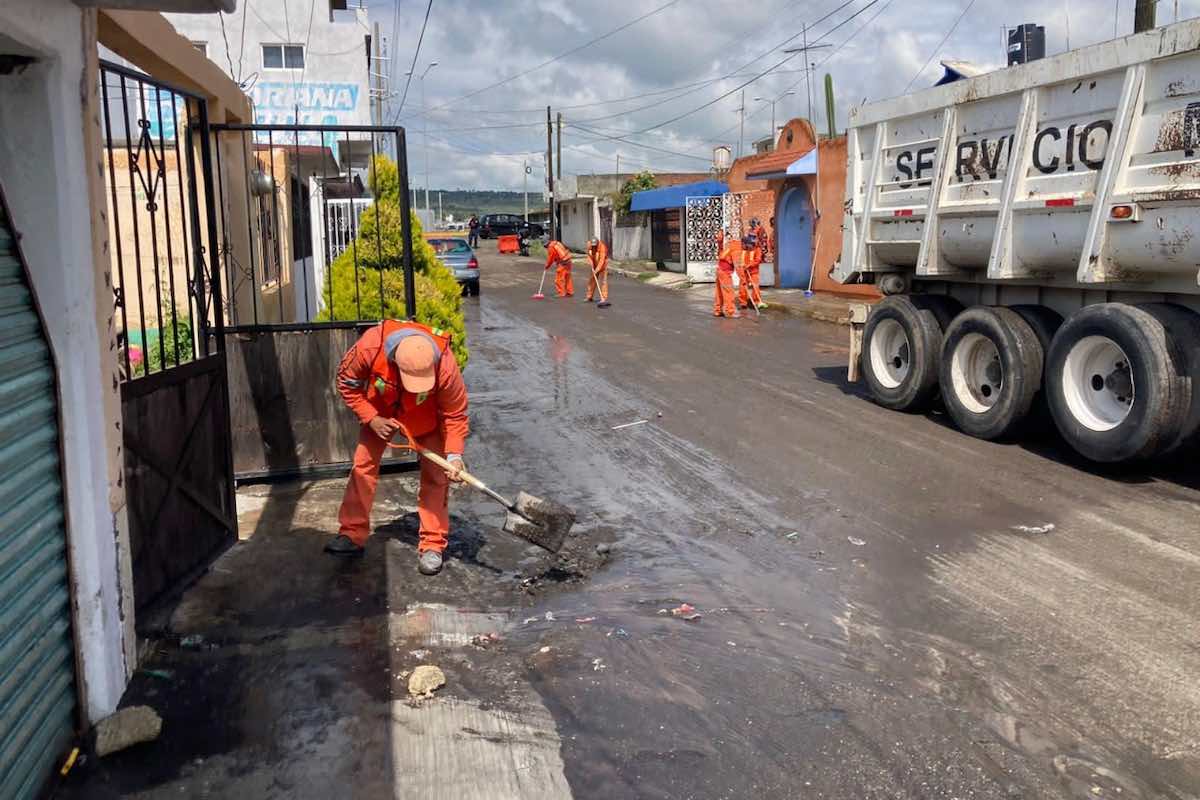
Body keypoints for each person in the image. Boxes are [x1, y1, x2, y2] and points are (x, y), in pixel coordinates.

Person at [327, 320, 469, 576]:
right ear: (393, 362)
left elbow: (455, 413)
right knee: (363, 467)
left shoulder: (445, 365)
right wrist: (371, 417)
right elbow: (346, 383)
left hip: (427, 418)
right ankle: (351, 533)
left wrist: (455, 455)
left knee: (437, 477)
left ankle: (433, 545)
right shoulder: (370, 346)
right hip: (381, 412)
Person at [713, 236, 741, 318]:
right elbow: (737, 265)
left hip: (719, 269)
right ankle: (730, 311)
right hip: (725, 272)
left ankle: (718, 310)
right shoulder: (737, 249)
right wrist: (743, 278)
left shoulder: (731, 244)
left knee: (719, 292)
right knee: (729, 291)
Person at [738, 234, 764, 310]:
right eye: (748, 245)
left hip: (754, 272)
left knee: (755, 287)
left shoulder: (757, 250)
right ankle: (743, 303)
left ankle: (756, 302)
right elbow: (740, 260)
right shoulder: (743, 251)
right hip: (744, 272)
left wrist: (749, 265)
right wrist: (742, 267)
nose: (750, 247)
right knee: (742, 287)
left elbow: (758, 260)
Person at [586, 237, 608, 303]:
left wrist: (597, 270)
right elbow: (589, 256)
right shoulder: (589, 245)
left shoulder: (602, 247)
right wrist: (592, 265)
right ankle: (589, 297)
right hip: (594, 265)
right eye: (593, 246)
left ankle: (603, 298)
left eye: (595, 246)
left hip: (603, 266)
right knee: (591, 281)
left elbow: (601, 260)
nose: (594, 247)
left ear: (598, 244)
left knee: (603, 282)